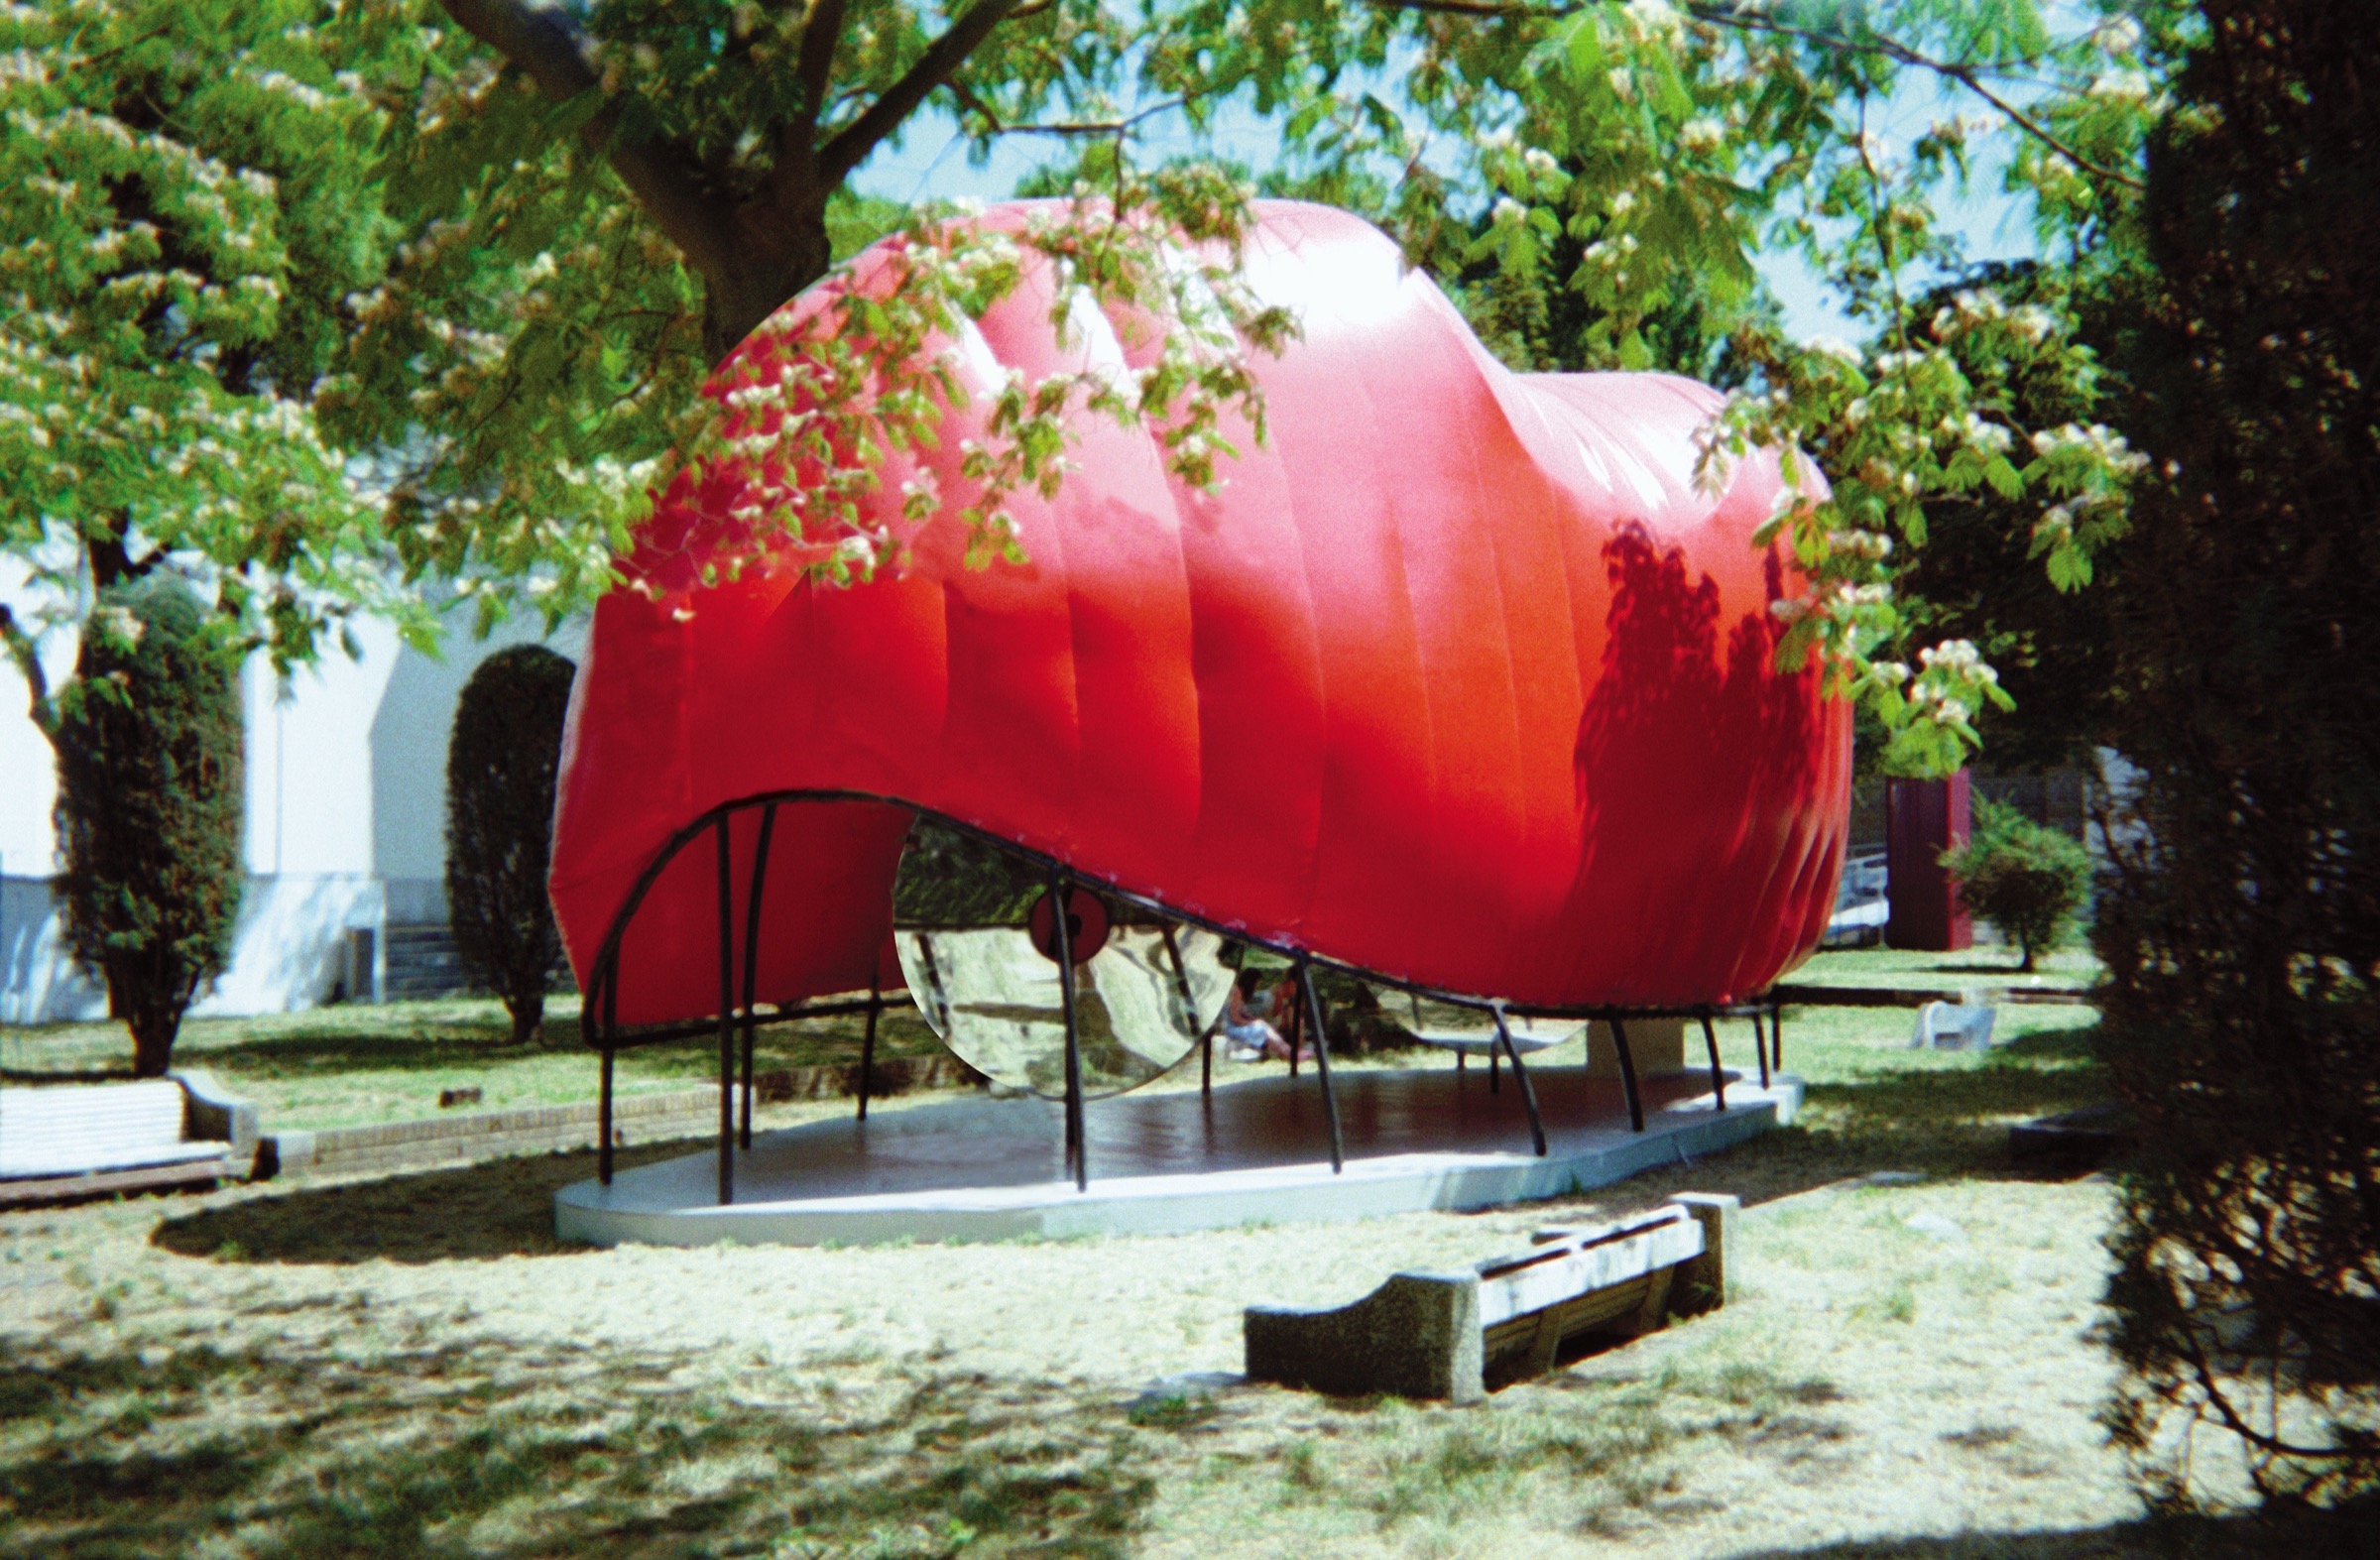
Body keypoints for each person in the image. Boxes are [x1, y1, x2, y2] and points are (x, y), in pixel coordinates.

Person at [1221, 966, 1308, 1063]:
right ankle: (1289, 1053)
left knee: (1264, 1026)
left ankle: (1289, 1052)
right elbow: (1235, 1018)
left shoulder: (1241, 994)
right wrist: (1253, 1023)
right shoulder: (1236, 992)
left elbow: (1246, 1014)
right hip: (1231, 1028)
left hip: (1237, 1025)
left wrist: (1256, 1020)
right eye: (1256, 984)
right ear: (1250, 982)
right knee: (1263, 1029)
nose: (1257, 987)